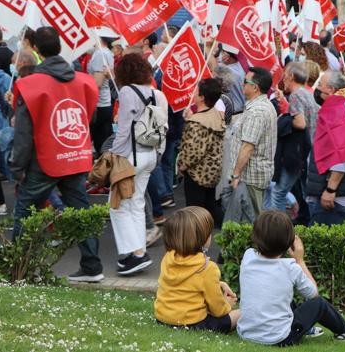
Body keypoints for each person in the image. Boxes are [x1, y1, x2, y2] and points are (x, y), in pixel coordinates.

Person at [10, 27, 102, 282]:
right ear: (60, 47)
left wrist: (17, 168)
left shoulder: (28, 85)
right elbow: (89, 116)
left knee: (25, 212)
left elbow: (23, 133)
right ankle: (93, 267)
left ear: (36, 50)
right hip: (75, 154)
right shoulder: (83, 80)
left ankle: (18, 269)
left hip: (45, 159)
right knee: (81, 212)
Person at [237, 210, 345, 346]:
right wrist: (300, 260)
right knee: (319, 304)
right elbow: (313, 294)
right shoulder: (291, 267)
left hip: (246, 333)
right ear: (289, 241)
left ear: (255, 236)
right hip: (280, 338)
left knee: (278, 293)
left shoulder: (248, 256)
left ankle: (306, 328)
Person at [110, 53, 169, 275]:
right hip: (149, 155)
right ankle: (138, 253)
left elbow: (124, 129)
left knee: (118, 205)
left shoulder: (126, 92)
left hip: (130, 156)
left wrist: (113, 155)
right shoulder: (153, 92)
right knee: (136, 204)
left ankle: (134, 254)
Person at [155, 206, 240, 331]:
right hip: (193, 324)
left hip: (162, 320)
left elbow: (186, 283)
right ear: (203, 238)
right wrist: (227, 304)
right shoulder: (207, 268)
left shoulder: (168, 258)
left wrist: (219, 284)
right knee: (240, 313)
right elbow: (218, 310)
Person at [306, 71, 345, 225]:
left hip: (337, 196)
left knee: (322, 243)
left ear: (331, 90)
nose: (317, 89)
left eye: (320, 85)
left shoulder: (337, 112)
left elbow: (341, 156)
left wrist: (330, 190)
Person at [177, 79, 226, 228]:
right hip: (212, 171)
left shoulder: (197, 122)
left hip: (196, 174)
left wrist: (181, 166)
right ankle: (229, 229)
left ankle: (195, 240)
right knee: (210, 206)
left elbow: (192, 153)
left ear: (202, 97)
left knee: (194, 212)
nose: (193, 93)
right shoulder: (216, 115)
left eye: (195, 91)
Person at [229, 67, 277, 216]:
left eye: (245, 82)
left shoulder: (257, 112)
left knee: (251, 223)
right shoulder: (258, 106)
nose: (242, 84)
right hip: (252, 175)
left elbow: (248, 147)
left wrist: (236, 175)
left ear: (255, 87)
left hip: (250, 177)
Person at [270, 63, 318, 212]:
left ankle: (279, 228)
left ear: (291, 76)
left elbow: (300, 123)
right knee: (306, 195)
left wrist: (282, 120)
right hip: (308, 150)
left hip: (298, 151)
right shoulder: (306, 92)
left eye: (285, 74)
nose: (283, 78)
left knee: (279, 193)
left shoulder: (296, 95)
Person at [89, 37, 115, 154]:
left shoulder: (100, 53)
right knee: (103, 145)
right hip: (104, 103)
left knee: (101, 146)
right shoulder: (107, 52)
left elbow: (97, 83)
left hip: (98, 104)